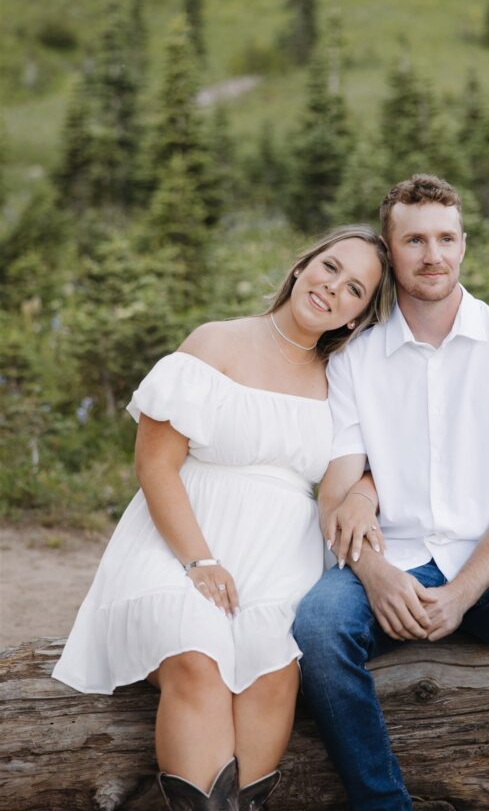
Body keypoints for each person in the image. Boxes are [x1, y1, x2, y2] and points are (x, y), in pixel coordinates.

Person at [52, 225, 394, 811]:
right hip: (183, 537)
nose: (334, 288)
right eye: (331, 267)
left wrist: (363, 492)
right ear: (302, 265)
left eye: (356, 289)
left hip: (280, 553)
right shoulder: (215, 342)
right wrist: (199, 560)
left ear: (358, 317)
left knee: (272, 668)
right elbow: (155, 465)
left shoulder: (345, 380)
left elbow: (364, 468)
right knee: (197, 654)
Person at [294, 175, 489, 811]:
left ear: (464, 245)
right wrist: (373, 572)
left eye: (445, 238)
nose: (432, 255)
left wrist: (462, 594)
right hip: (394, 555)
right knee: (318, 628)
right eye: (414, 240)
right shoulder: (355, 358)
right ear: (389, 248)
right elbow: (337, 492)